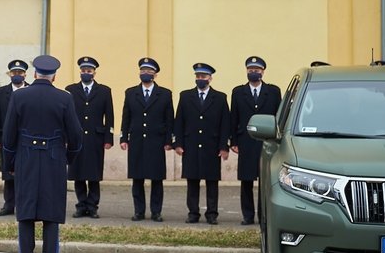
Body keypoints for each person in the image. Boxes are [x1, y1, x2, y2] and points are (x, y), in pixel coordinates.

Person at [2, 54, 82, 253]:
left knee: (26, 213)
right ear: (54, 76)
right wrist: (69, 158)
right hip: (54, 159)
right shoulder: (64, 98)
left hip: (25, 158)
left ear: (35, 73)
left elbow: (8, 136)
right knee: (51, 214)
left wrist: (10, 163)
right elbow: (76, 136)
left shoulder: (19, 97)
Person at [173, 62, 230, 225]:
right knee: (192, 181)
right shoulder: (185, 96)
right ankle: (193, 212)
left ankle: (212, 213)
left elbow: (225, 124)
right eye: (198, 76)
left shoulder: (220, 98)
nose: (200, 79)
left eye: (203, 76)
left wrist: (224, 146)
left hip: (211, 146)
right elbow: (179, 121)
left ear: (210, 78)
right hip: (191, 145)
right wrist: (178, 143)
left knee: (212, 182)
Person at [119, 57, 174, 222]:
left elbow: (169, 119)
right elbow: (126, 116)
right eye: (143, 71)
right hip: (137, 141)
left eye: (149, 71)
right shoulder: (131, 93)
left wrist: (169, 140)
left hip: (156, 141)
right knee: (137, 178)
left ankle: (156, 212)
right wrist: (124, 137)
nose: (145, 74)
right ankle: (139, 211)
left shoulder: (164, 94)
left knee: (156, 179)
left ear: (155, 75)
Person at [230, 56, 281, 225]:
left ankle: (263, 215)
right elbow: (234, 118)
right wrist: (234, 141)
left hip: (266, 143)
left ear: (263, 72)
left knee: (265, 182)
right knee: (246, 181)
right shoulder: (238, 92)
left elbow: (278, 118)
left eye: (256, 70)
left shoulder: (273, 91)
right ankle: (248, 215)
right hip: (246, 142)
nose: (253, 72)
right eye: (250, 70)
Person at [65, 56, 114, 219]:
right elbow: (66, 114)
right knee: (78, 173)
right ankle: (81, 205)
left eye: (89, 70)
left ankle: (92, 206)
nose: (86, 73)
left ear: (94, 72)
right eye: (84, 70)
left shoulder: (104, 91)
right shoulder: (71, 89)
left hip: (95, 138)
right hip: (76, 137)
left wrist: (108, 138)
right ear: (80, 72)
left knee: (93, 174)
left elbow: (110, 116)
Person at [0, 59, 29, 216]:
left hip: (26, 140)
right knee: (8, 174)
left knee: (25, 174)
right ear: (10, 74)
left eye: (20, 73)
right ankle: (9, 205)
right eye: (14, 73)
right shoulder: (0, 93)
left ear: (25, 74)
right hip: (7, 140)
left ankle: (24, 205)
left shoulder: (31, 91)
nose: (17, 75)